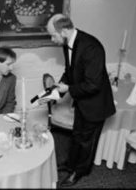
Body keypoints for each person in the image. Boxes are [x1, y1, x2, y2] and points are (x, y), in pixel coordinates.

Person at [46, 14, 116, 187]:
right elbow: (70, 71)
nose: (52, 39)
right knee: (77, 135)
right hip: (82, 101)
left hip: (96, 104)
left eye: (53, 35)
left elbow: (93, 85)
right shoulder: (67, 43)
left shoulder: (92, 47)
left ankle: (79, 172)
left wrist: (68, 89)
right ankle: (70, 165)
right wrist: (57, 89)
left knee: (87, 142)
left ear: (64, 31)